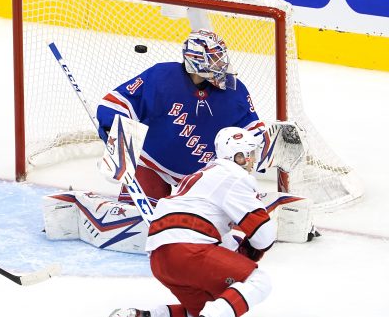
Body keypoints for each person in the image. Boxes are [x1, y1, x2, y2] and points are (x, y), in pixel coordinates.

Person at [100, 127, 276, 317]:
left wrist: (238, 247)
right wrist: (255, 244)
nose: (253, 160)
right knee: (259, 281)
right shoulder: (235, 177)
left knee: (202, 310)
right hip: (188, 248)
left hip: (159, 257)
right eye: (248, 154)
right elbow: (264, 237)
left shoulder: (203, 175)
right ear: (236, 156)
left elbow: (218, 235)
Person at [96, 29, 265, 206]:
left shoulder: (234, 91)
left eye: (221, 57)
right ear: (196, 60)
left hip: (203, 174)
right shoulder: (161, 76)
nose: (221, 64)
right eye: (214, 58)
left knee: (207, 221)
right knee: (136, 214)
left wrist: (265, 146)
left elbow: (251, 129)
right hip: (151, 162)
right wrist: (115, 137)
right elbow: (117, 104)